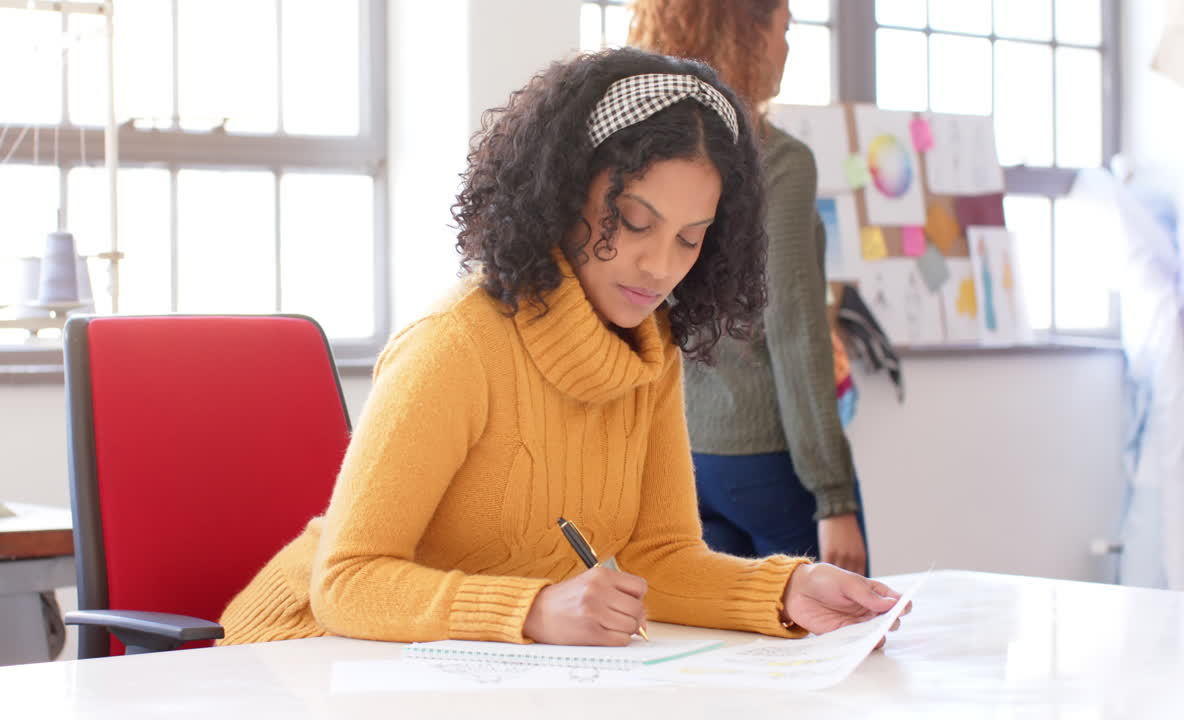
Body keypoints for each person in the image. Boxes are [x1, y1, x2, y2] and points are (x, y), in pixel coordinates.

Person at [218, 48, 904, 648]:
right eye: (635, 221)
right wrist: (535, 610)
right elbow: (347, 580)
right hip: (295, 660)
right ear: (565, 186)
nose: (659, 266)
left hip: (447, 674)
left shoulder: (650, 352)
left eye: (690, 238)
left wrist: (786, 592)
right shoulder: (455, 345)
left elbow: (656, 559)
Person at [629, 0, 871, 575]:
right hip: (772, 463)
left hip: (684, 461)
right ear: (745, 31)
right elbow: (794, 331)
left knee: (724, 649)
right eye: (784, 29)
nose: (787, 47)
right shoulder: (778, 161)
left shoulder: (648, 159)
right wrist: (834, 497)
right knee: (835, 646)